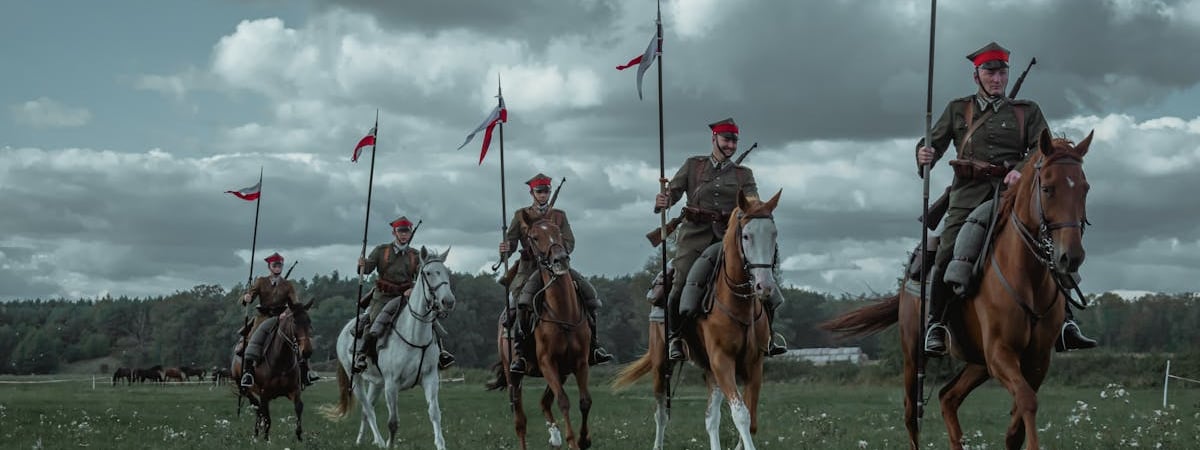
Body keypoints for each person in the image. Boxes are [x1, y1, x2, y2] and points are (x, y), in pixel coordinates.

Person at [916, 42, 1097, 356]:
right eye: (990, 72)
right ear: (977, 77)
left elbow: (1045, 151)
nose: (996, 79)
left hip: (1013, 194)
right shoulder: (959, 109)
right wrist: (924, 154)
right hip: (968, 193)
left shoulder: (1027, 111)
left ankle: (1065, 321)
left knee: (1051, 242)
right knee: (948, 247)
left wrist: (1019, 170)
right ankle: (937, 323)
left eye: (1001, 72)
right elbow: (934, 144)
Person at [654, 117, 787, 361]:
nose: (731, 146)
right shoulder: (694, 166)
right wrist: (663, 200)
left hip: (728, 239)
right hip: (695, 237)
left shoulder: (743, 174)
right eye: (726, 140)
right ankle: (676, 338)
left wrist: (758, 210)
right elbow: (671, 193)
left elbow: (752, 202)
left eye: (734, 142)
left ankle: (768, 336)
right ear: (714, 138)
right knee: (679, 283)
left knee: (767, 284)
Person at [500, 172, 613, 374]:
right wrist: (505, 249)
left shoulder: (559, 215)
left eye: (546, 191)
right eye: (539, 191)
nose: (543, 195)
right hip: (529, 269)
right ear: (532, 193)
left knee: (589, 295)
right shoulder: (520, 215)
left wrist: (557, 252)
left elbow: (570, 240)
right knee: (519, 300)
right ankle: (520, 354)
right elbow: (512, 242)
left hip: (557, 266)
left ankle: (594, 347)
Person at [353, 216, 455, 372]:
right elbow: (366, 270)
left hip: (406, 296)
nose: (404, 235)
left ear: (410, 233)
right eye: (400, 231)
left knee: (429, 318)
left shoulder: (415, 255)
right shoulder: (381, 251)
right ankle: (361, 355)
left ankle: (441, 352)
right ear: (394, 233)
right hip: (383, 296)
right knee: (374, 320)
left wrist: (414, 290)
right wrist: (361, 265)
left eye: (407, 232)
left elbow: (424, 275)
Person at [238, 252, 319, 387]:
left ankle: (305, 372)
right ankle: (248, 373)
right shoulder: (261, 281)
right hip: (263, 317)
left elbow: (295, 303)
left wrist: (289, 312)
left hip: (282, 317)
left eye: (279, 265)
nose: (277, 268)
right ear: (270, 267)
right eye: (275, 265)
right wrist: (246, 298)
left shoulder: (288, 285)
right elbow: (250, 296)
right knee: (252, 338)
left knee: (298, 337)